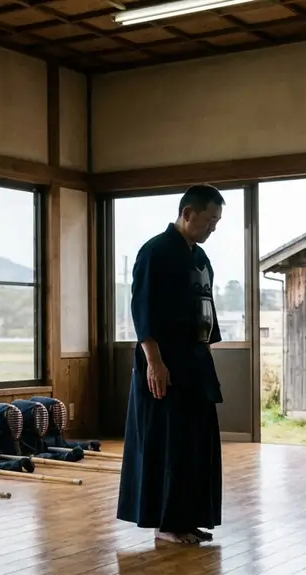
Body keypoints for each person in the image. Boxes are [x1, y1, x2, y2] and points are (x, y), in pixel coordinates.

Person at [116, 184, 224, 545]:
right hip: (163, 358)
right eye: (209, 220)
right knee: (169, 441)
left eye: (217, 222)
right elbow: (142, 309)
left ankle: (189, 517)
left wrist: (206, 352)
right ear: (188, 213)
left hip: (195, 358)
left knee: (197, 440)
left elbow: (205, 308)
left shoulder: (199, 257)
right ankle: (166, 524)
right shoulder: (156, 252)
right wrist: (154, 362)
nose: (212, 228)